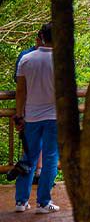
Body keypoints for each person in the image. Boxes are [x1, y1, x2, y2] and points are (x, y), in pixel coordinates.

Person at [13, 23, 60, 214]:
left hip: (31, 115)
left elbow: (20, 90)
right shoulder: (61, 61)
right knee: (50, 159)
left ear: (41, 36)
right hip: (54, 116)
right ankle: (43, 202)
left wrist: (19, 114)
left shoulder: (26, 59)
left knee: (29, 158)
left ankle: (21, 202)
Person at [13, 31, 44, 185]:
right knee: (34, 143)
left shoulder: (25, 57)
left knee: (34, 142)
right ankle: (37, 174)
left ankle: (36, 173)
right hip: (34, 107)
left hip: (30, 106)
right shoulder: (27, 56)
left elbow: (17, 81)